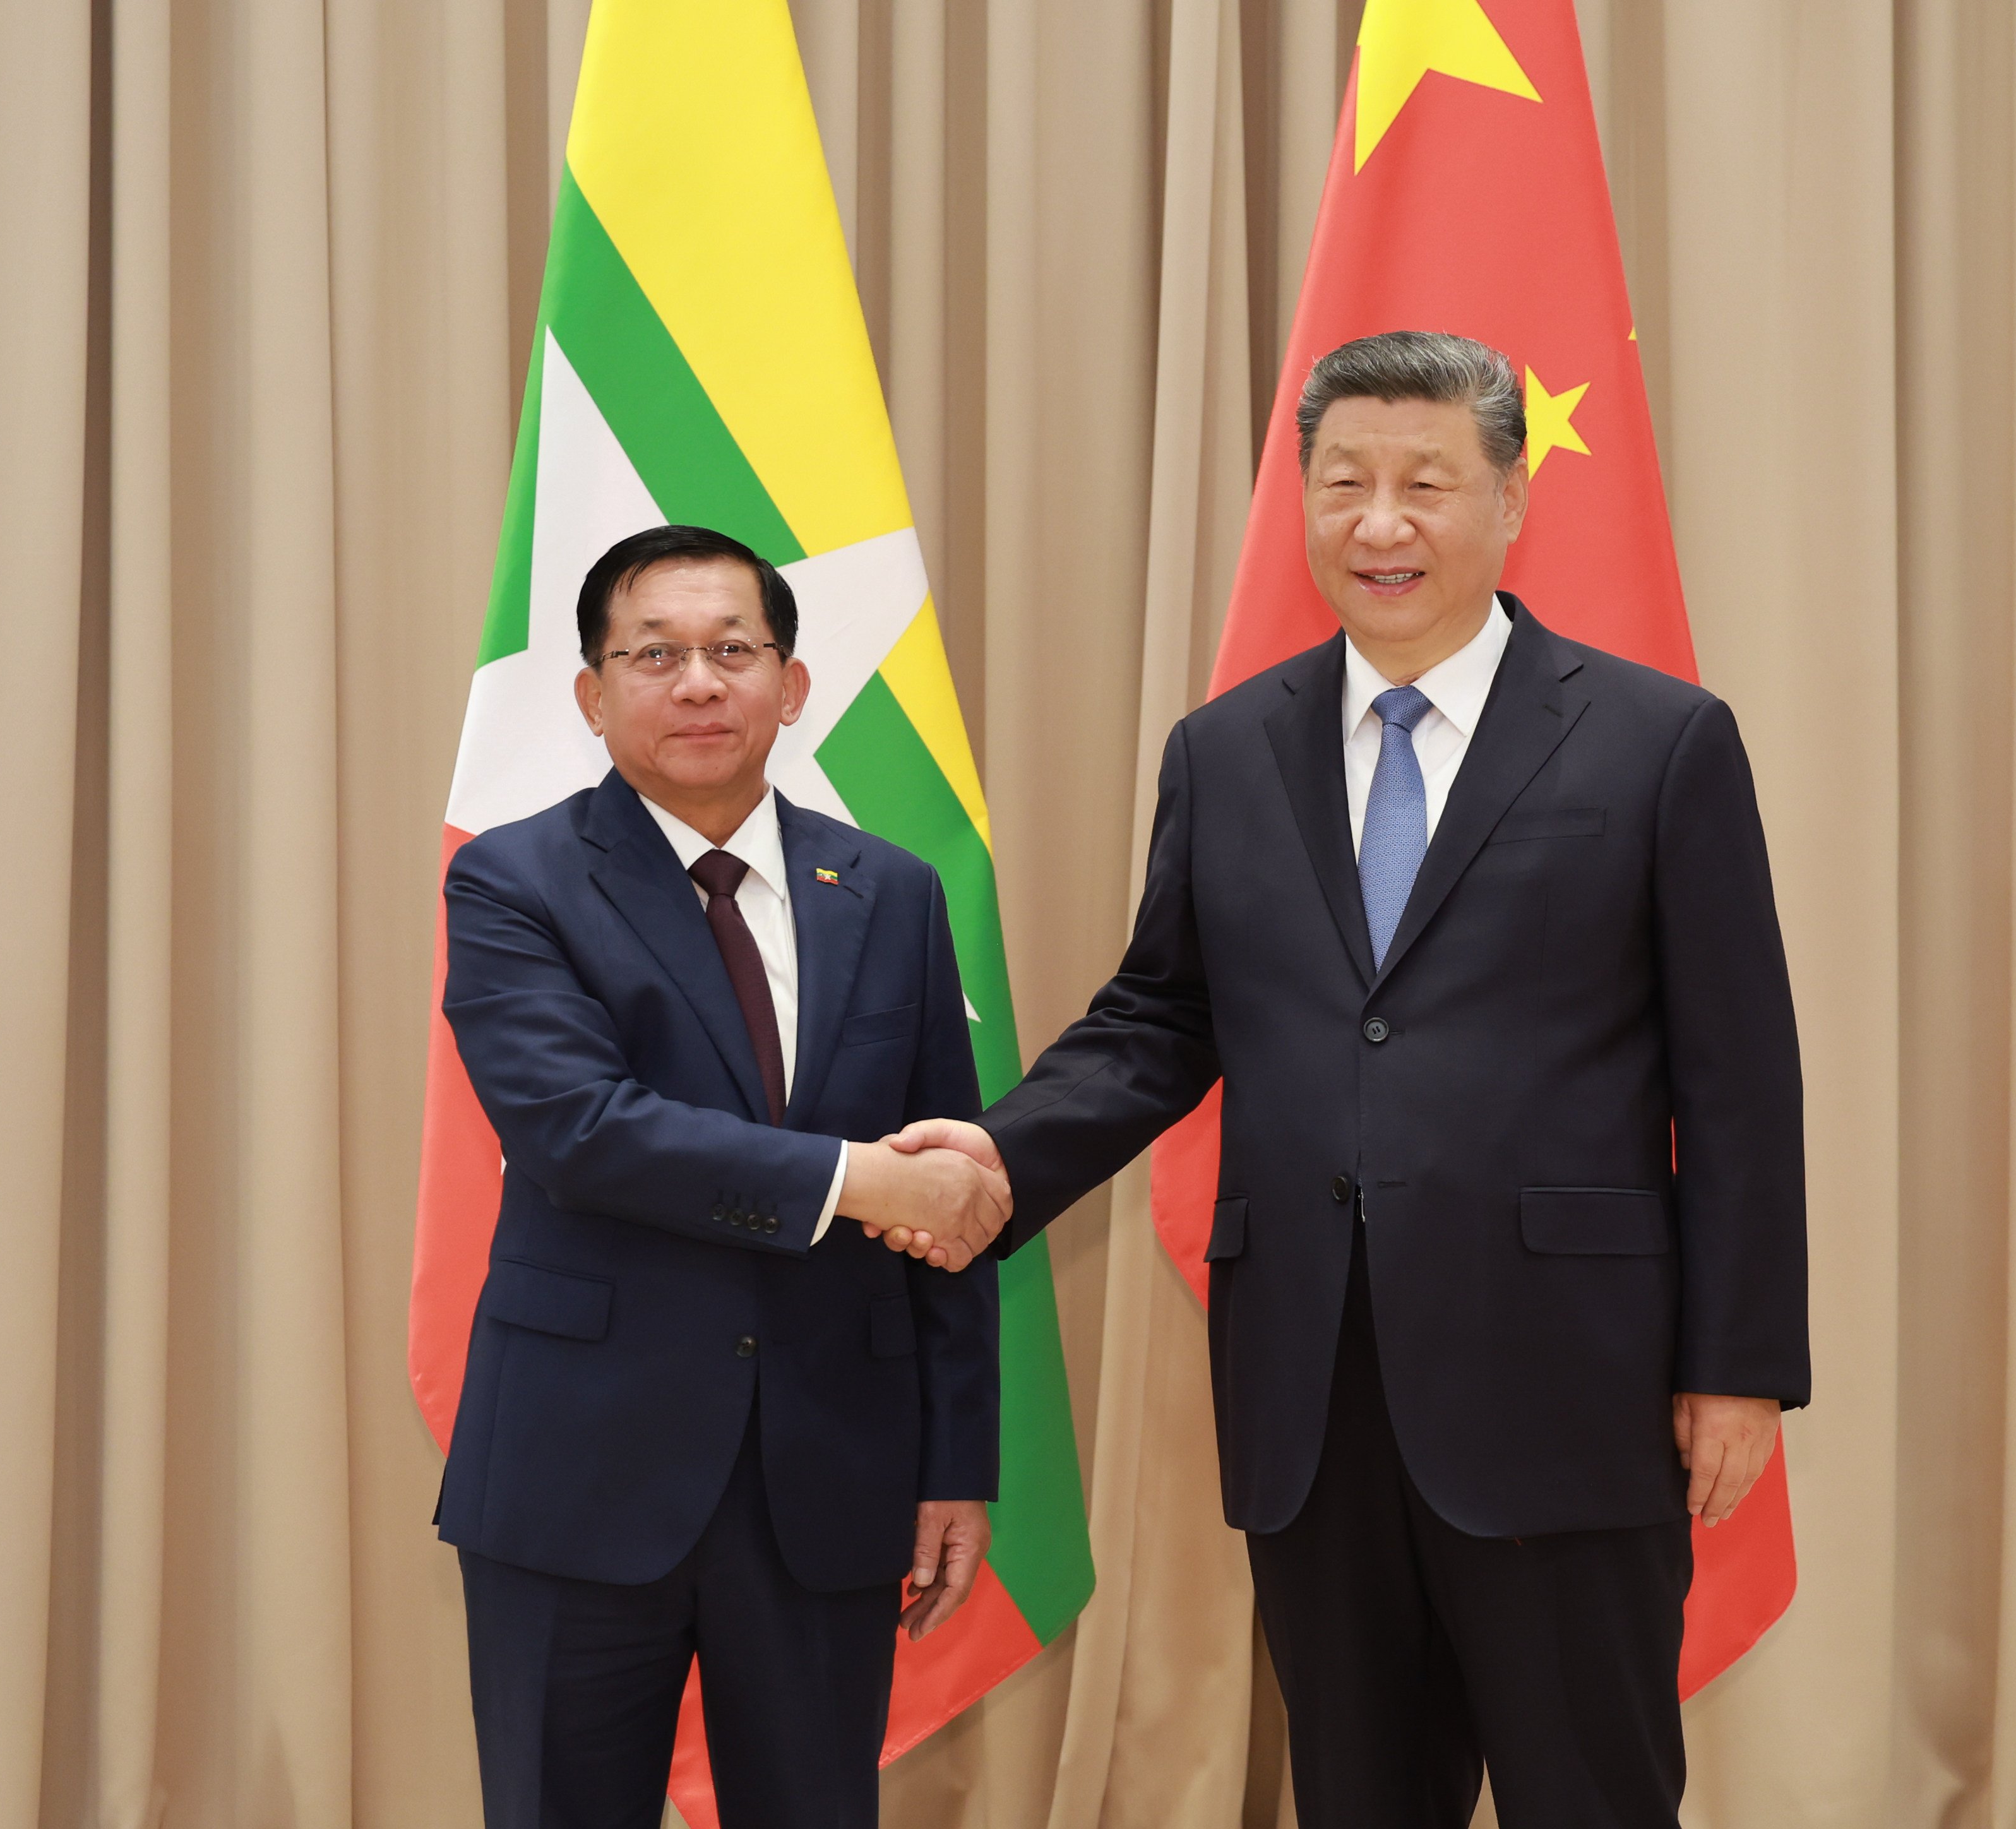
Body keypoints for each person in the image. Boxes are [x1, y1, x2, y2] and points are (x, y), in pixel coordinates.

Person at [878, 332, 1809, 1826]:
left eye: (1424, 484)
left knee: (1593, 1792)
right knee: (1362, 1794)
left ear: (1509, 500)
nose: (1379, 524)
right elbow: (1158, 1019)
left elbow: (1742, 1077)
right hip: (1313, 1384)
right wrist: (996, 1159)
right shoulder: (1226, 750)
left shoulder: (1654, 741)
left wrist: (1739, 1360)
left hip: (1570, 1380)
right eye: (1343, 484)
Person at [436, 523, 1008, 1829]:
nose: (697, 682)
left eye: (731, 650)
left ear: (790, 684)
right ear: (592, 694)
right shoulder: (514, 880)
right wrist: (852, 1182)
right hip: (578, 1470)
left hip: (830, 1469)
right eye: (655, 654)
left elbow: (946, 1184)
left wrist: (953, 1462)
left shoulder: (894, 893)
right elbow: (579, 1128)